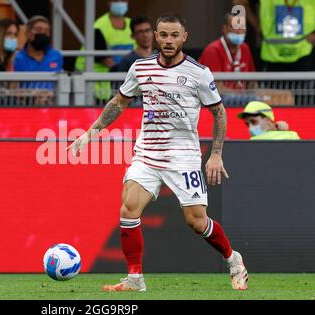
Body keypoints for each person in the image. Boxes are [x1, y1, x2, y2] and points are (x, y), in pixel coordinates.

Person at [67, 13, 249, 292]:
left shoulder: (198, 73)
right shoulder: (140, 68)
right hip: (147, 154)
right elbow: (119, 102)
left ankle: (233, 259)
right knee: (128, 207)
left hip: (184, 156)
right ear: (155, 35)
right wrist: (92, 131)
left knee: (197, 222)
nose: (168, 40)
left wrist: (216, 153)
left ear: (184, 38)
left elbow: (219, 113)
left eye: (174, 35)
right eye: (163, 34)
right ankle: (134, 278)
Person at [74, 0, 136, 101]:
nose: (120, 2)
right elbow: (105, 59)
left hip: (122, 85)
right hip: (97, 88)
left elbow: (139, 53)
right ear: (109, 2)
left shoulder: (132, 25)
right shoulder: (99, 26)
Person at [238, 0, 315, 71]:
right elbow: (239, 2)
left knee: (303, 85)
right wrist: (256, 25)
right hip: (271, 54)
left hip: (304, 52)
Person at [199, 13, 256, 90]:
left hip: (242, 99)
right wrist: (240, 98)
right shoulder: (213, 50)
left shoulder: (245, 48)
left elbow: (252, 80)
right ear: (225, 29)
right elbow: (214, 86)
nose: (239, 30)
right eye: (235, 26)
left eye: (242, 27)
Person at [14, 15, 63, 89]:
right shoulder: (17, 58)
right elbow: (13, 88)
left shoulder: (56, 56)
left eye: (46, 31)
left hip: (52, 100)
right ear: (27, 33)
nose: (43, 33)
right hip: (27, 99)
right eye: (38, 30)